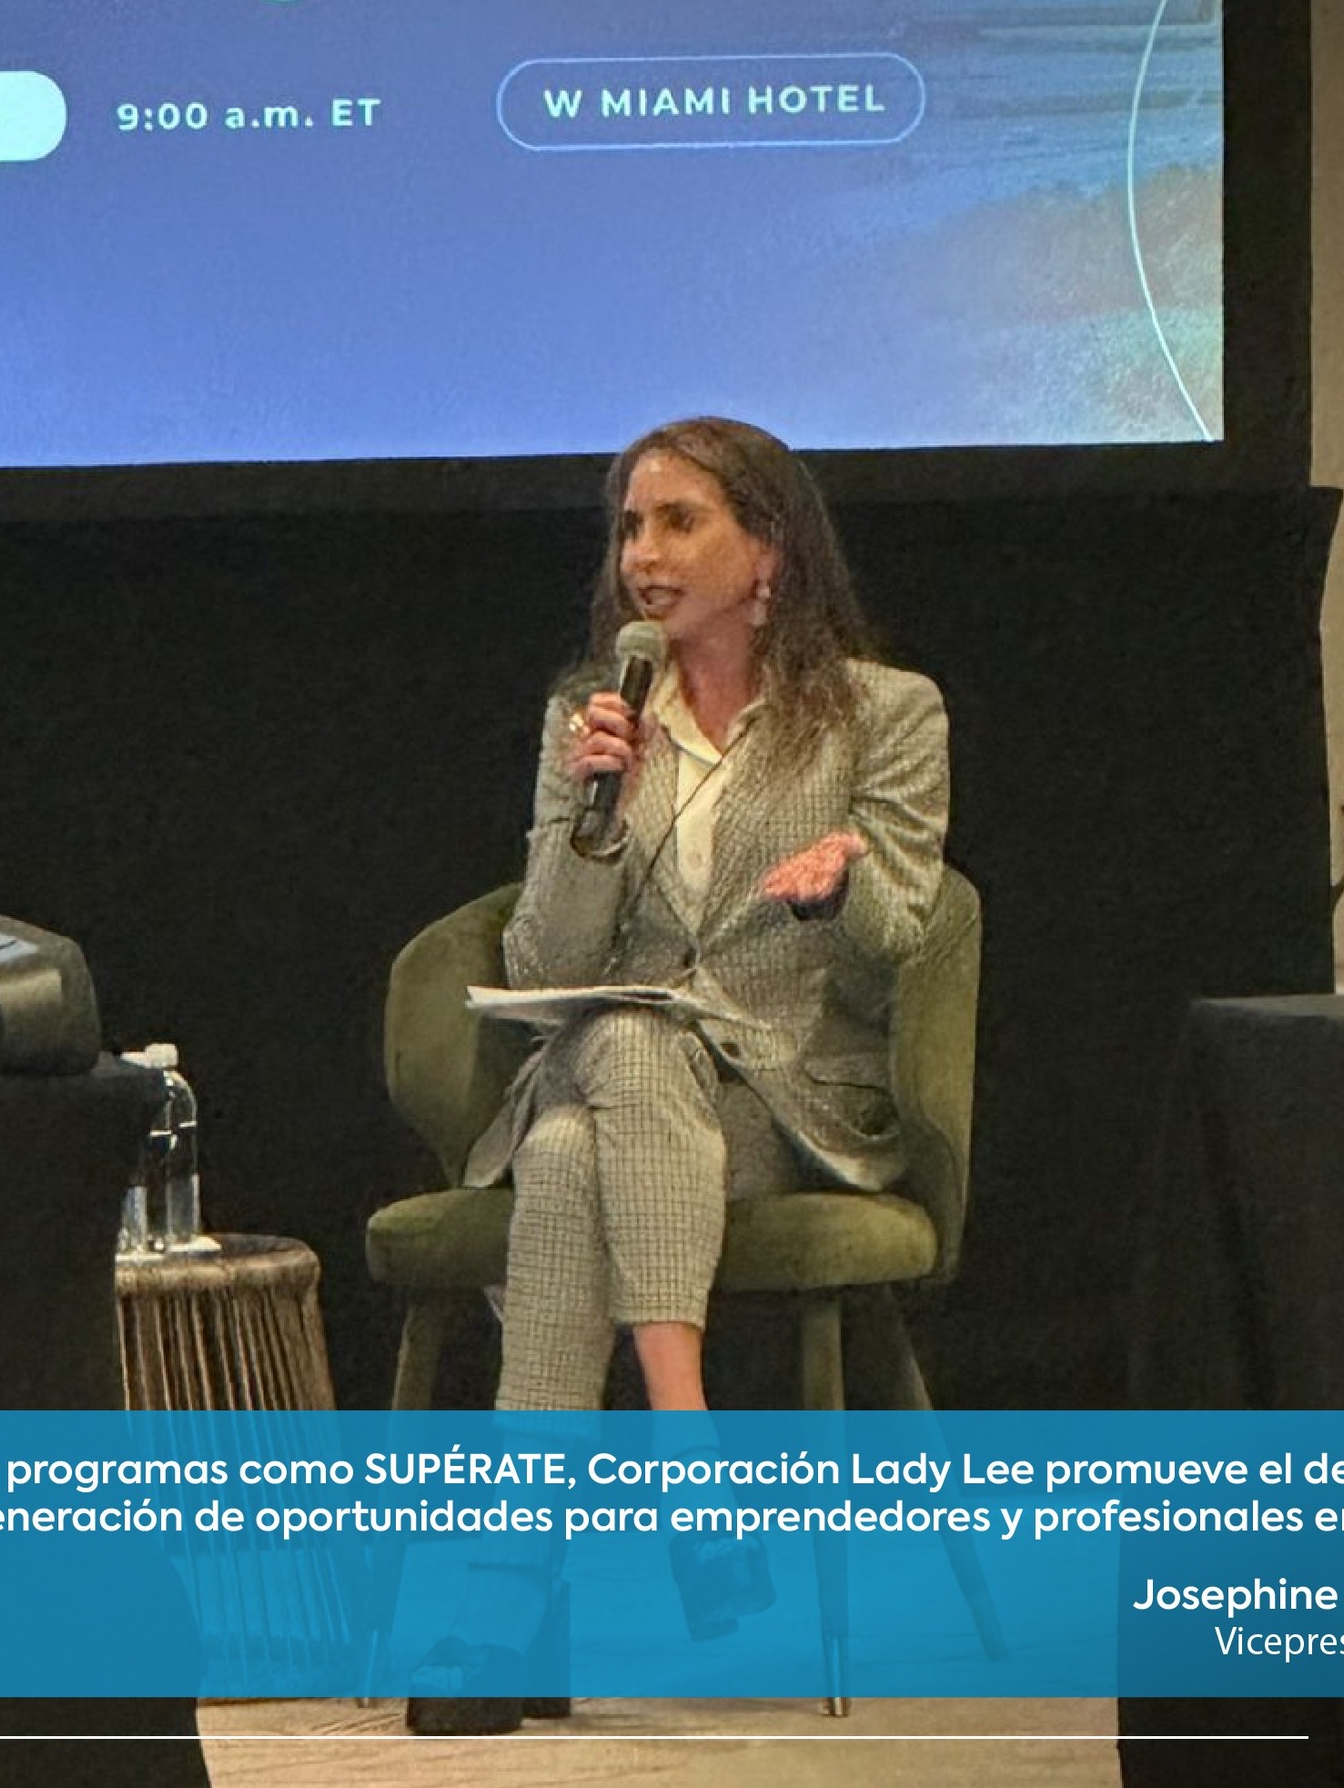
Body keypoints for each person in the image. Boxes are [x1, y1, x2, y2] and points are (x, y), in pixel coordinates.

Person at [407, 417, 950, 1733]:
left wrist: (842, 881)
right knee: (604, 1078)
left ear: (768, 549)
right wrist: (593, 819)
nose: (643, 555)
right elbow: (544, 959)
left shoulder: (884, 713)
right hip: (616, 1074)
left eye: (679, 522)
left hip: (777, 1097)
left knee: (566, 1155)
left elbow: (906, 935)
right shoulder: (591, 720)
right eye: (629, 527)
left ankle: (508, 1600)